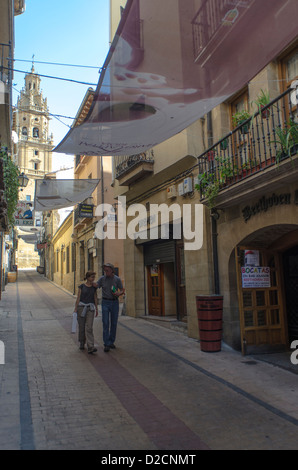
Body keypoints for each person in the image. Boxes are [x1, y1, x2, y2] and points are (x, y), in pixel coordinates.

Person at [96, 263, 124, 352]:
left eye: (107, 270)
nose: (105, 272)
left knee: (114, 323)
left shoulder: (117, 279)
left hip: (114, 302)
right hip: (105, 302)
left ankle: (111, 341)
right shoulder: (102, 279)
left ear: (112, 270)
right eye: (104, 270)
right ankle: (106, 343)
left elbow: (122, 290)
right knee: (105, 322)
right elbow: (96, 286)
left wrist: (119, 293)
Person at [74, 271, 98, 354]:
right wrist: (75, 308)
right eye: (92, 277)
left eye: (94, 277)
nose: (93, 279)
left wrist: (97, 309)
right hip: (81, 307)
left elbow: (95, 298)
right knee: (81, 326)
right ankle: (81, 342)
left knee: (89, 327)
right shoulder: (82, 287)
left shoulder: (94, 287)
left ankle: (91, 346)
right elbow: (78, 297)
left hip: (90, 308)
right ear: (87, 278)